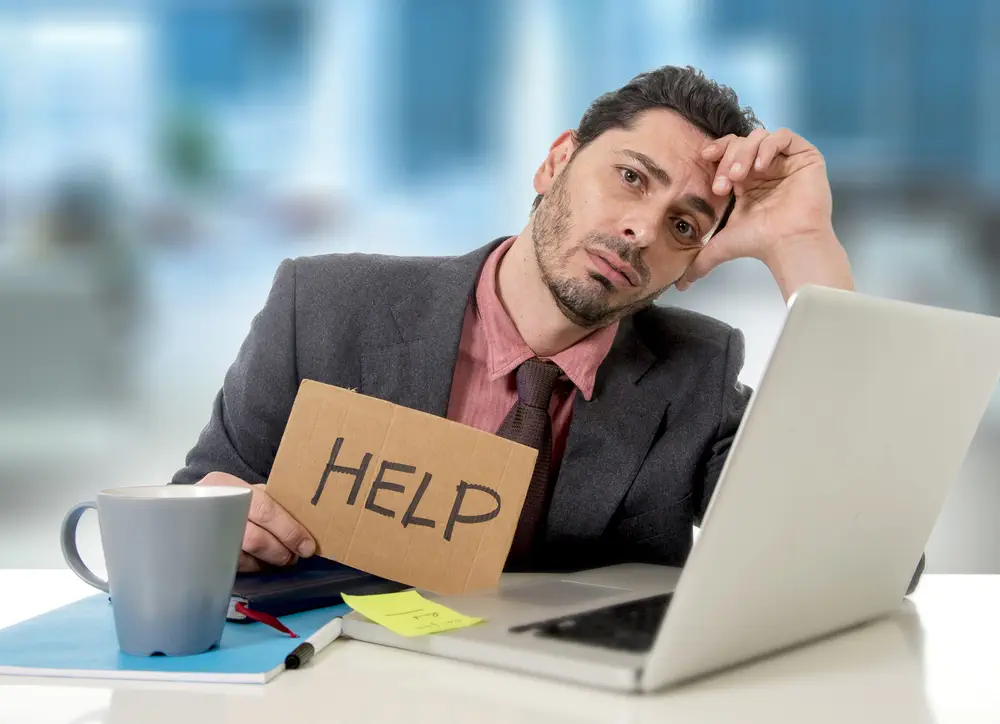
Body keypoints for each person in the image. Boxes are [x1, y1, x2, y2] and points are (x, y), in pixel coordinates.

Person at [172, 65, 924, 591]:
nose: (639, 230)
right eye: (631, 177)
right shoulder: (325, 305)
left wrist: (805, 247)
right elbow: (192, 502)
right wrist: (215, 523)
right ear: (556, 160)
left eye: (684, 225)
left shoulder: (694, 373)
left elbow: (864, 553)